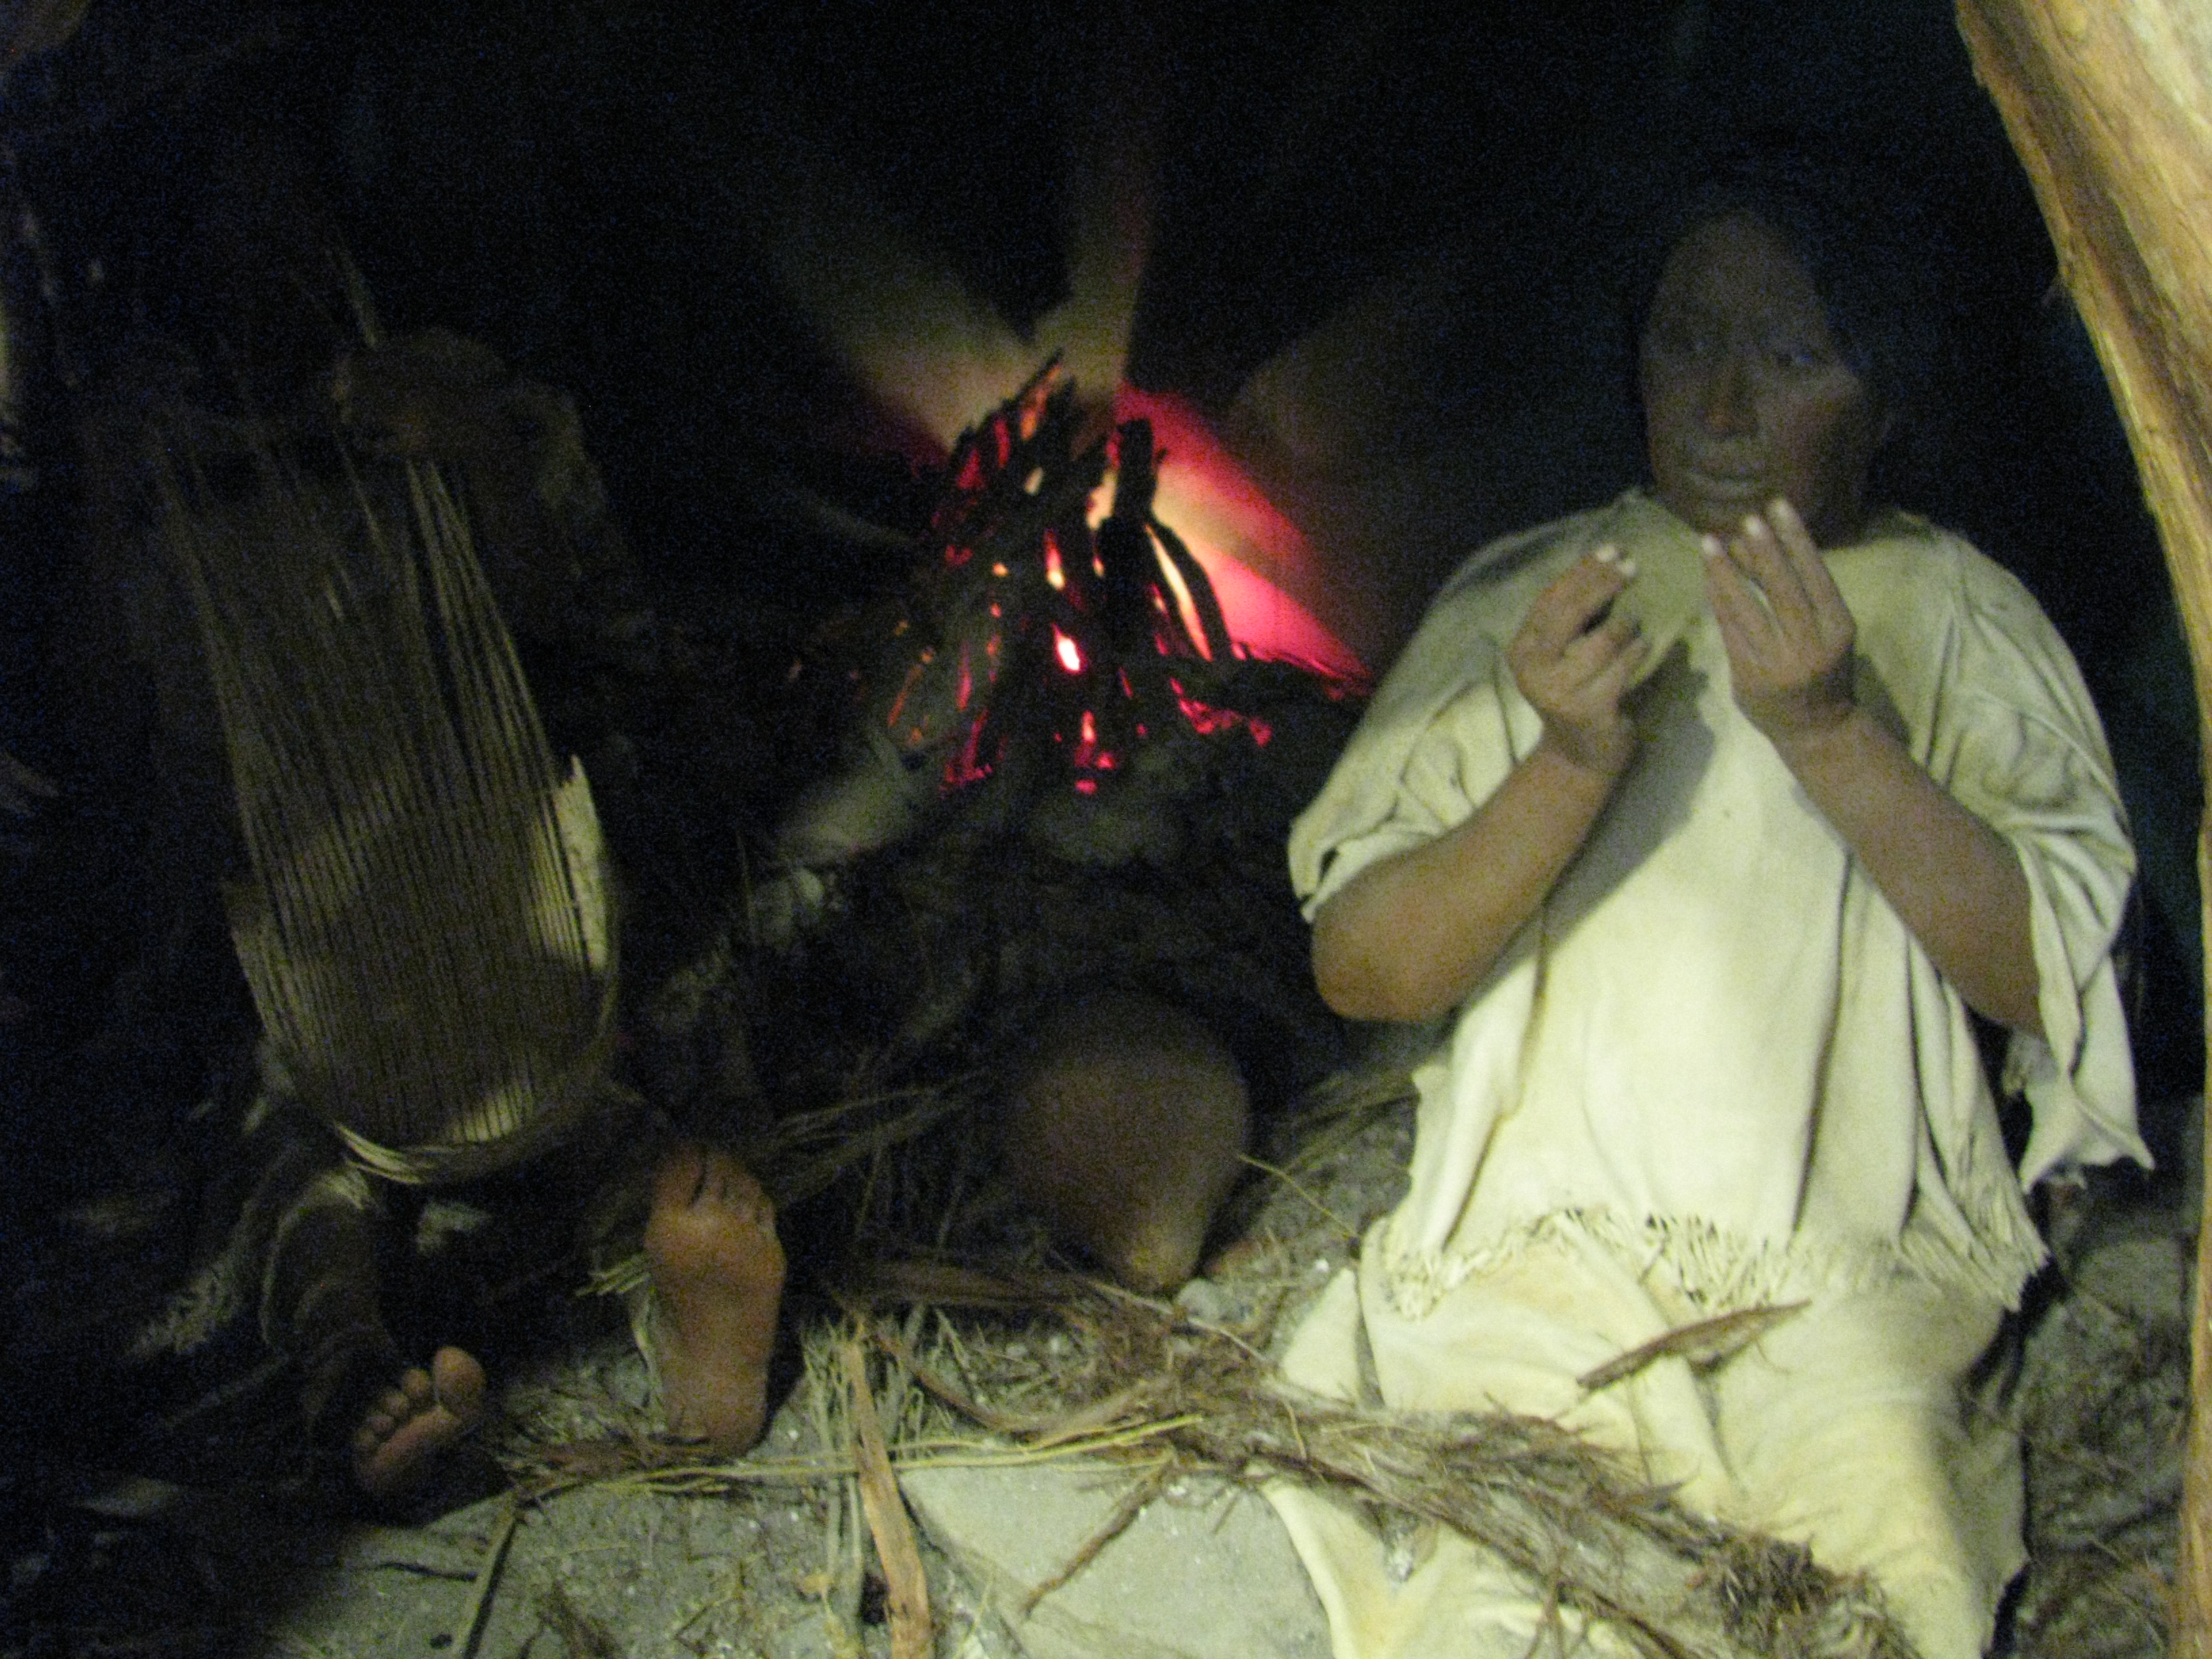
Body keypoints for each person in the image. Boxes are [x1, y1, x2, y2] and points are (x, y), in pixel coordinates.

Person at [1263, 147, 2144, 1659]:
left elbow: (2047, 979)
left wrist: (1832, 735)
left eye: (1791, 357)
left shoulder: (1959, 615)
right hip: (1544, 1244)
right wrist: (1567, 763)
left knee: (1891, 1582)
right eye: (1685, 342)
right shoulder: (1540, 599)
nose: (1722, 409)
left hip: (1848, 1264)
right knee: (1523, 1599)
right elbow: (1365, 968)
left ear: (1888, 396)